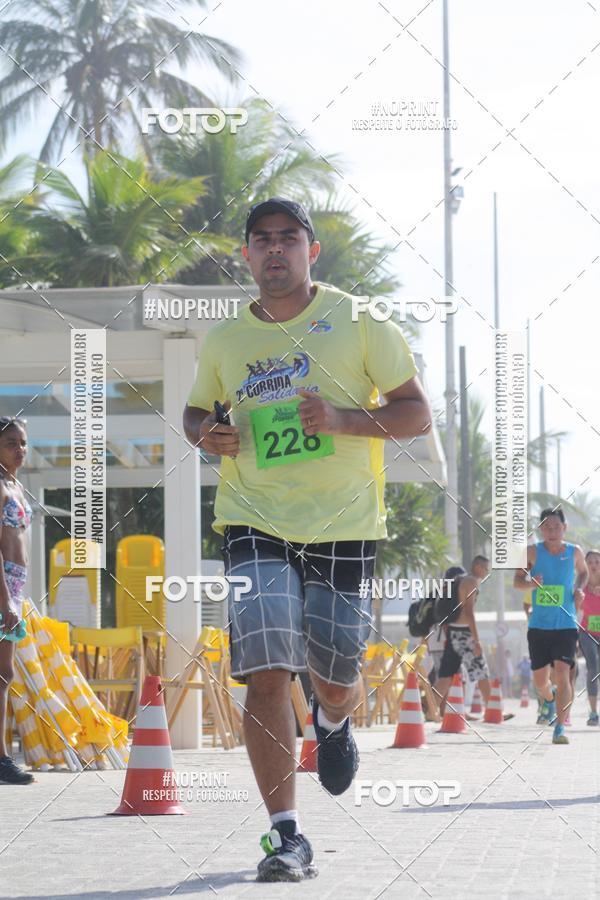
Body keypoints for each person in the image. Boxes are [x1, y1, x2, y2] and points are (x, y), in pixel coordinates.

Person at [183, 197, 432, 882]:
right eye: (260, 241)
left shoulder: (359, 321)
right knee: (264, 672)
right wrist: (206, 432)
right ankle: (286, 835)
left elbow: (415, 413)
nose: (273, 251)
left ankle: (332, 720)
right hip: (252, 518)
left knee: (337, 673)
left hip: (344, 523)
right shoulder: (228, 339)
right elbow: (196, 409)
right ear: (246, 255)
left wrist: (345, 419)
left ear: (310, 251)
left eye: (287, 240)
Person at [513, 507, 588, 744]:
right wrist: (531, 583)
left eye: (556, 527)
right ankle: (549, 698)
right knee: (541, 681)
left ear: (564, 528)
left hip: (566, 623)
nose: (551, 531)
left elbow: (584, 573)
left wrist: (579, 590)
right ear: (540, 529)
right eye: (546, 527)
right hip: (538, 626)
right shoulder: (532, 552)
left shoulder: (574, 552)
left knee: (563, 672)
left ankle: (560, 728)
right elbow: (517, 581)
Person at [0, 416, 34, 784]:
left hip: (13, 585)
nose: (19, 449)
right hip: (3, 588)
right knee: (2, 673)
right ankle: (1, 758)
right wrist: (6, 600)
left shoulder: (14, 484)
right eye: (11, 442)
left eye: (23, 442)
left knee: (4, 673)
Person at [433, 565, 494, 716]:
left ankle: (431, 710)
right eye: (486, 568)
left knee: (446, 675)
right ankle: (493, 710)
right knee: (481, 672)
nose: (487, 571)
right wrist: (477, 640)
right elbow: (469, 613)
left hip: (453, 631)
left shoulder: (449, 589)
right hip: (464, 634)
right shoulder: (469, 583)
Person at [578, 549, 600, 725]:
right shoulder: (580, 587)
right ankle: (593, 713)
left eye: (597, 562)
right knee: (593, 666)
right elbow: (572, 607)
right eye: (590, 562)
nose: (593, 565)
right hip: (587, 633)